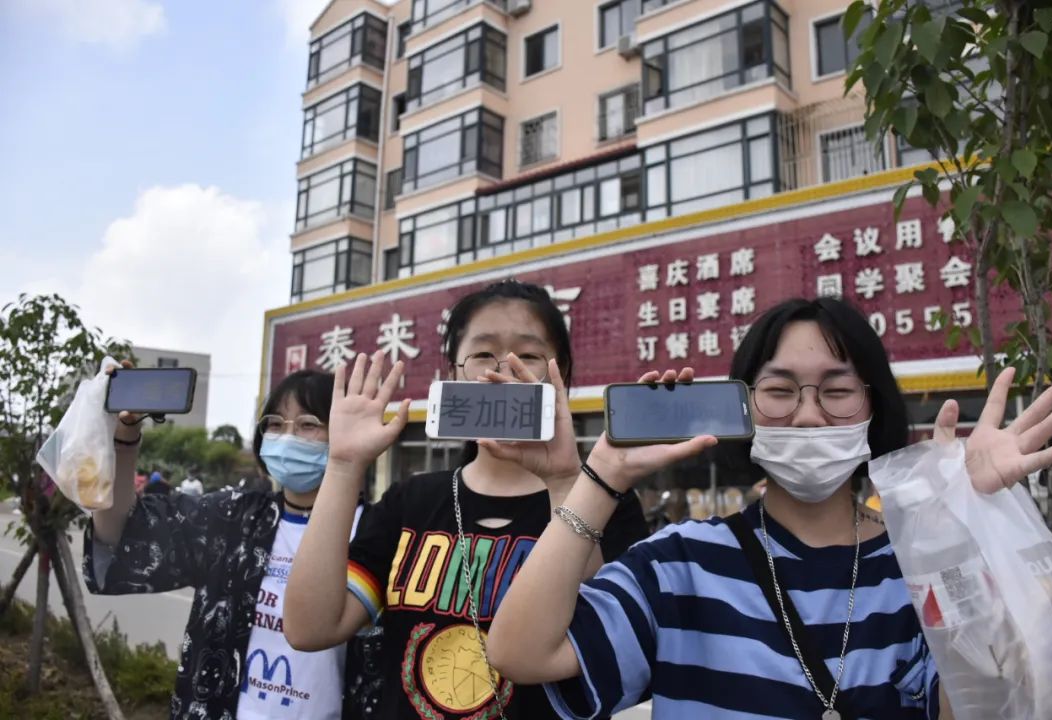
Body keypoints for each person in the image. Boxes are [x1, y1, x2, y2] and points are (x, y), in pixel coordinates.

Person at [485, 297, 1052, 719]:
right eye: (778, 390)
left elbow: (1008, 698)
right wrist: (595, 475)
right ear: (741, 407)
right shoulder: (679, 565)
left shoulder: (919, 570)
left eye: (839, 390)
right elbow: (520, 652)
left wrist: (967, 520)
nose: (808, 414)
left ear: (874, 407)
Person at [285, 279, 649, 719]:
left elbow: (600, 639)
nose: (503, 369)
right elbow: (310, 628)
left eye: (528, 355)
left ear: (562, 375)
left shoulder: (606, 501)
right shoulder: (410, 502)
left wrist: (564, 483)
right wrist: (343, 466)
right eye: (482, 354)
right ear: (454, 373)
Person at [83, 368, 379, 719]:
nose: (287, 437)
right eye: (275, 424)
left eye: (307, 424)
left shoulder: (378, 533)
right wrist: (125, 437)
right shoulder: (231, 517)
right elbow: (123, 533)